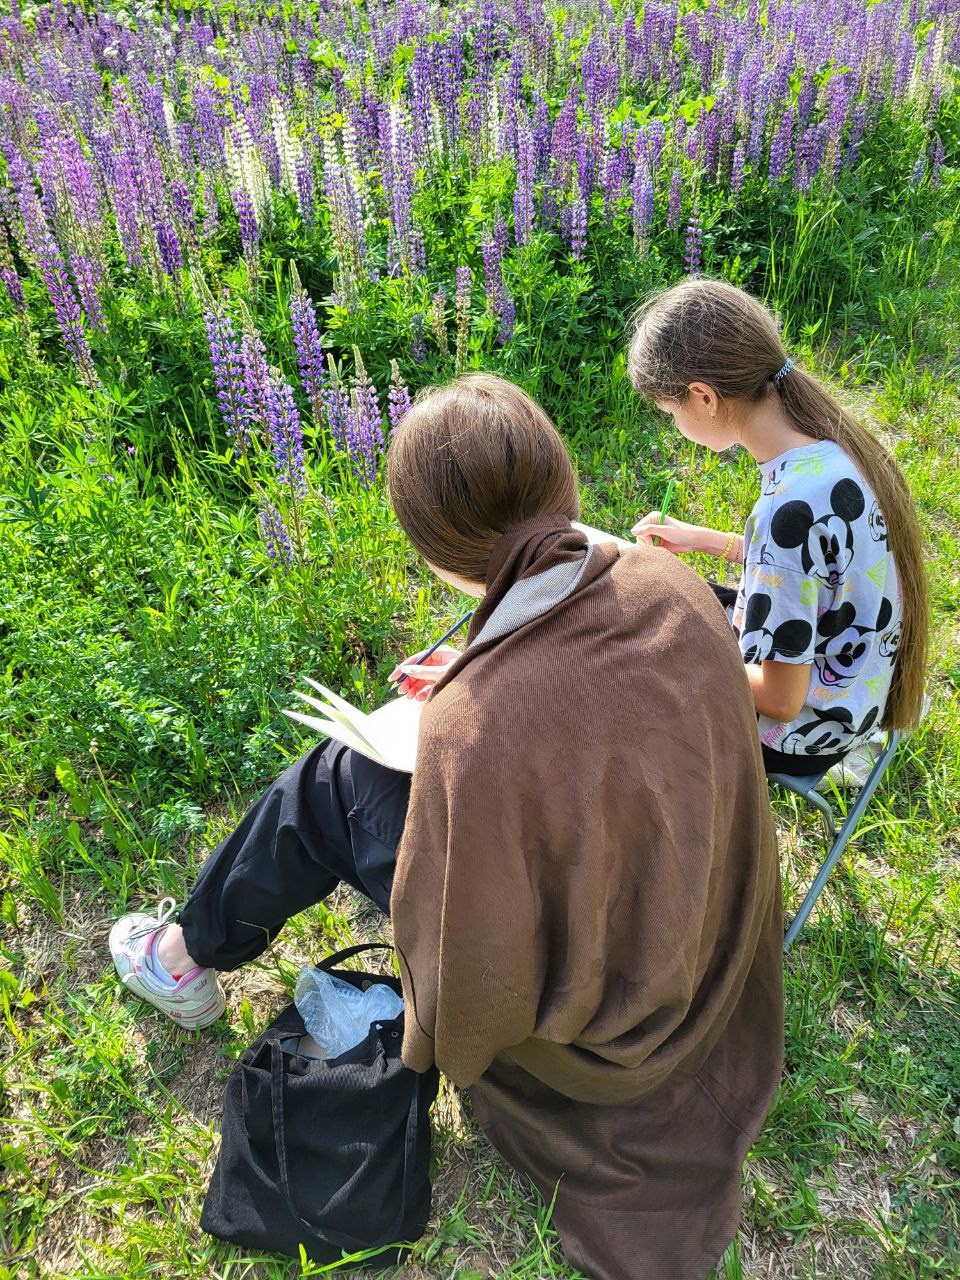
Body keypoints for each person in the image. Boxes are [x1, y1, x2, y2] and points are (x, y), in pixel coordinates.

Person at [110, 372, 784, 1280]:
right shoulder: (674, 584)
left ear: (434, 549)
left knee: (329, 783)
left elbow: (473, 972)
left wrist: (461, 721)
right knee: (358, 777)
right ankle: (189, 945)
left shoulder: (476, 726)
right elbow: (602, 702)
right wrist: (473, 674)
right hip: (700, 945)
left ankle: (183, 959)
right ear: (563, 480)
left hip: (602, 1039)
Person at [629, 278, 928, 778]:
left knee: (630, 655)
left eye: (669, 412)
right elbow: (818, 570)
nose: (673, 425)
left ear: (703, 397)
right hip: (852, 694)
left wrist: (671, 659)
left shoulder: (785, 510)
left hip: (800, 733)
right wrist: (701, 539)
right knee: (654, 599)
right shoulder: (833, 448)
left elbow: (780, 698)